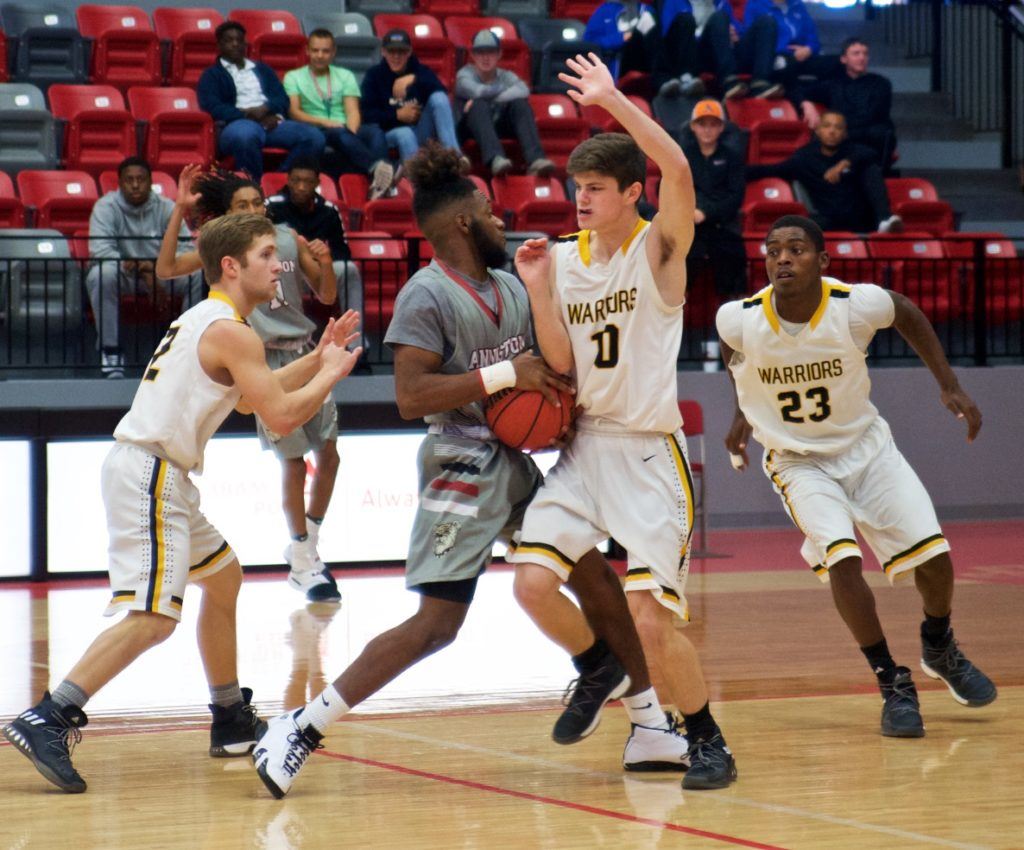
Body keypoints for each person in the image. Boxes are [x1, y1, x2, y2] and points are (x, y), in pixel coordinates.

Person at [250, 142, 690, 800]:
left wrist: (558, 401)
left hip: (511, 457)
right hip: (459, 461)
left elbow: (552, 364)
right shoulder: (425, 295)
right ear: (462, 221)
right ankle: (299, 727)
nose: (497, 215)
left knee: (596, 576)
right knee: (438, 626)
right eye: (486, 207)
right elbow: (411, 396)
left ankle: (649, 719)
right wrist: (512, 374)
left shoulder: (511, 285)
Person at [1, 213, 362, 794]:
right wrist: (332, 374)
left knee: (223, 577)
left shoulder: (215, 321)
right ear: (232, 265)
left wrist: (318, 358)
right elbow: (279, 414)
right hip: (150, 474)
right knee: (153, 617)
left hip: (160, 474)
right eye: (268, 255)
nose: (280, 265)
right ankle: (51, 714)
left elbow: (250, 398)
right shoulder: (232, 331)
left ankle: (229, 716)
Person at [509, 53, 737, 791]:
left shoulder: (657, 250)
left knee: (649, 617)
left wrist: (613, 102)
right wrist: (540, 291)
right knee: (531, 585)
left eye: (596, 189)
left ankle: (705, 738)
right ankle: (597, 664)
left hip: (647, 456)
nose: (580, 199)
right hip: (584, 453)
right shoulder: (568, 259)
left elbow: (678, 168)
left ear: (632, 194)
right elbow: (559, 361)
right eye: (577, 187)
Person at [715, 214, 997, 738]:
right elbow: (736, 359)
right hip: (798, 460)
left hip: (867, 449)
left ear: (822, 261)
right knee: (843, 560)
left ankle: (938, 642)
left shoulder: (854, 304)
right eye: (774, 250)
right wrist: (741, 416)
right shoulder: (739, 318)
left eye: (796, 249)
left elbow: (908, 313)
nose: (782, 258)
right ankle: (892, 681)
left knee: (935, 558)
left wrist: (948, 385)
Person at [156, 167, 343, 603]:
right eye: (243, 206)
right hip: (262, 357)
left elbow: (328, 295)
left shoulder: (287, 237)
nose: (254, 210)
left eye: (257, 203)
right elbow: (166, 268)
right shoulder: (223, 248)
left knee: (331, 455)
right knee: (294, 463)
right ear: (229, 213)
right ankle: (301, 555)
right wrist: (179, 211)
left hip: (306, 350)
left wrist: (328, 263)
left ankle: (307, 544)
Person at [85, 156, 202, 378]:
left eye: (141, 179)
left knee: (194, 274)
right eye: (129, 180)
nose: (136, 184)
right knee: (102, 274)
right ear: (120, 183)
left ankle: (186, 347)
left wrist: (153, 268)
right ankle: (111, 351)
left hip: (162, 274)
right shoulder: (105, 207)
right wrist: (144, 268)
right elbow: (100, 251)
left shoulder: (166, 207)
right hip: (124, 273)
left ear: (150, 182)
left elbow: (186, 249)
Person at [197, 21, 325, 180]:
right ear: (219, 45)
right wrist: (246, 115)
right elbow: (212, 106)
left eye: (239, 40)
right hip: (236, 124)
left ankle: (279, 181)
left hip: (270, 122)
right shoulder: (211, 75)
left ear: (246, 44)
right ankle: (253, 188)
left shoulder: (263, 69)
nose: (235, 44)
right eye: (229, 40)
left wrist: (267, 109)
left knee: (314, 137)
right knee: (246, 136)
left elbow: (282, 98)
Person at [747, 110, 902, 233]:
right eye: (827, 126)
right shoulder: (804, 158)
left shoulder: (853, 151)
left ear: (845, 134)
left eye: (838, 127)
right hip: (828, 220)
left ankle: (885, 219)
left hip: (860, 219)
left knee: (870, 167)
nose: (832, 131)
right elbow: (770, 169)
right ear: (818, 130)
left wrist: (844, 163)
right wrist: (733, 170)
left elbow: (872, 153)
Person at [283, 29, 395, 199]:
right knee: (341, 134)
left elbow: (352, 111)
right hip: (315, 129)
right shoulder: (293, 76)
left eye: (325, 51)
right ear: (307, 51)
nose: (320, 55)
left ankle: (380, 184)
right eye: (315, 50)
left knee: (375, 133)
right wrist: (325, 122)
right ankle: (380, 170)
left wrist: (353, 129)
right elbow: (294, 112)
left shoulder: (345, 75)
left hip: (343, 127)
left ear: (333, 52)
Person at [266, 157, 363, 321]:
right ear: (288, 180)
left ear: (317, 183)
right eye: (296, 181)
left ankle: (356, 341)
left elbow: (342, 251)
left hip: (318, 271)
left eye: (308, 182)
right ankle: (283, 332)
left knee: (349, 269)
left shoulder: (328, 210)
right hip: (285, 271)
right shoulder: (272, 206)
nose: (301, 187)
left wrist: (322, 260)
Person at [454, 29, 556, 178]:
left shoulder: (505, 75)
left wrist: (493, 98)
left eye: (490, 52)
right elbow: (478, 91)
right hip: (472, 128)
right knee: (478, 105)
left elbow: (523, 90)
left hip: (499, 123)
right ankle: (495, 159)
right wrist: (502, 93)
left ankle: (536, 160)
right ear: (473, 55)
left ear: (499, 54)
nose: (485, 57)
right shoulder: (465, 74)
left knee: (520, 104)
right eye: (480, 52)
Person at [360, 30, 466, 167]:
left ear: (409, 52)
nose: (396, 57)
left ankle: (454, 159)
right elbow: (366, 115)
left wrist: (413, 78)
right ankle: (418, 181)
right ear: (383, 52)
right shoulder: (373, 75)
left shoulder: (420, 71)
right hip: (390, 133)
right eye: (392, 51)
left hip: (420, 129)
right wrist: (397, 115)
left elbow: (441, 94)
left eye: (401, 52)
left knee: (439, 98)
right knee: (405, 133)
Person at [796, 38, 897, 171]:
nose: (862, 58)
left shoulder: (881, 83)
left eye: (865, 54)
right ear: (844, 59)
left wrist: (843, 131)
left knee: (879, 133)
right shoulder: (833, 84)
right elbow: (800, 91)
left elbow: (871, 116)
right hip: (842, 139)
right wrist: (806, 104)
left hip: (869, 139)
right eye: (856, 53)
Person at [682, 99, 746, 302]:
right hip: (691, 227)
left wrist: (706, 212)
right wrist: (691, 211)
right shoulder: (683, 156)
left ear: (721, 127)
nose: (707, 130)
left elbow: (735, 197)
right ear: (693, 127)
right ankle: (680, 328)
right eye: (702, 124)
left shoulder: (733, 157)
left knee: (732, 261)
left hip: (723, 226)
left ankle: (730, 325)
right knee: (679, 265)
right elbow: (675, 189)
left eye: (713, 124)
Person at [654, 0, 780, 99]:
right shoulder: (672, 1)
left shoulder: (721, 3)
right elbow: (669, 36)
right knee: (713, 18)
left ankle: (760, 83)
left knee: (767, 22)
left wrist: (734, 35)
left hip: (720, 54)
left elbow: (734, 28)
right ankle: (729, 80)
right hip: (690, 57)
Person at [743, 0, 837, 94]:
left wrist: (809, 49)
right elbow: (755, 40)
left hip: (803, 54)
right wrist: (787, 51)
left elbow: (813, 38)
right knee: (785, 65)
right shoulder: (756, 5)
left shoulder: (798, 4)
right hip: (775, 57)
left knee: (838, 63)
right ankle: (802, 102)